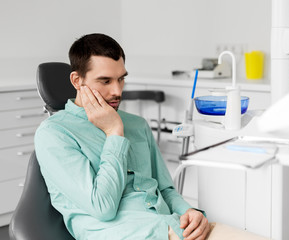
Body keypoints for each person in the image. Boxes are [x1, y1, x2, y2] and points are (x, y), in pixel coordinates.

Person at [35, 33, 268, 240]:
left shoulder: (137, 124)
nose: (117, 91)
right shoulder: (54, 134)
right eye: (105, 81)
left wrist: (190, 212)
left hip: (172, 227)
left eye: (121, 78)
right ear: (77, 80)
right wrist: (114, 133)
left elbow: (165, 190)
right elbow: (101, 207)